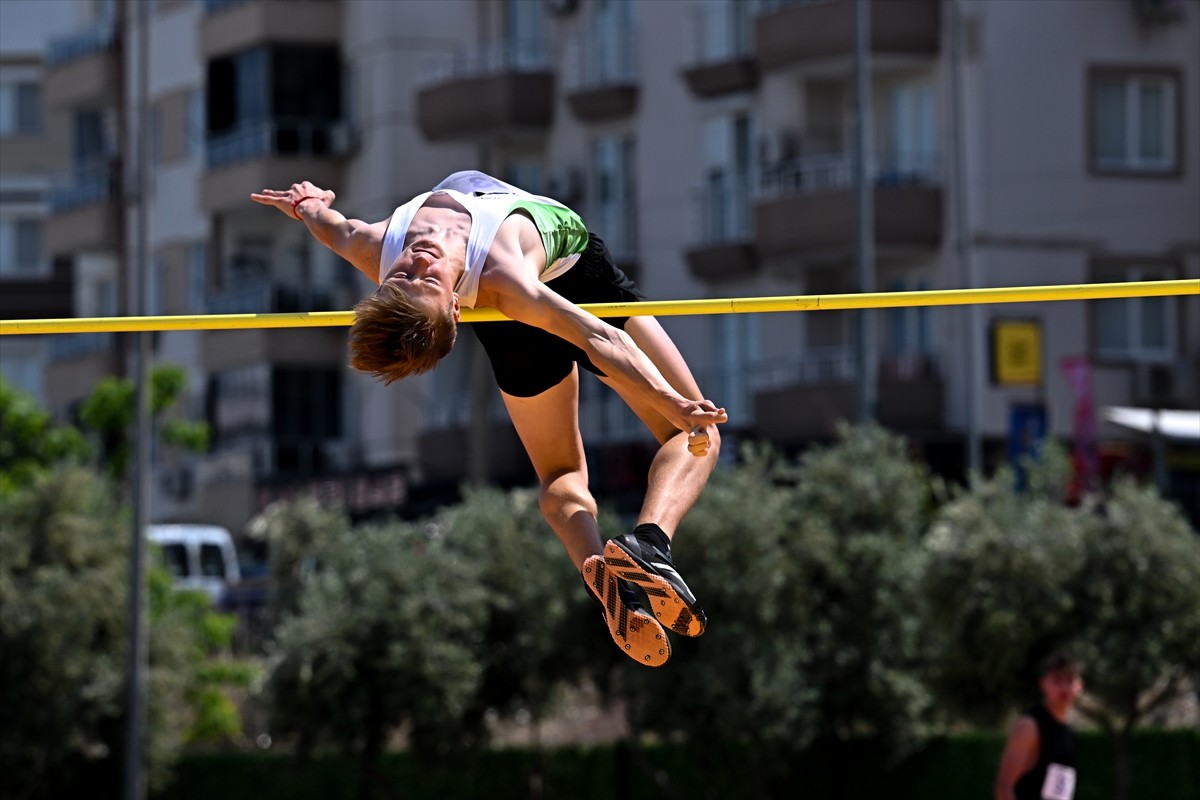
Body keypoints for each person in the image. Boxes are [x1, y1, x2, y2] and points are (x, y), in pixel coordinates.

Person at [251, 171, 727, 667]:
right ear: (456, 308)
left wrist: (309, 203)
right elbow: (600, 340)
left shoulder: (377, 248)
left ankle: (606, 577)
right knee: (698, 434)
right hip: (573, 287)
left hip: (515, 325)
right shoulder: (503, 277)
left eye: (403, 277)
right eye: (426, 281)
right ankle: (649, 545)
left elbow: (334, 228)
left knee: (560, 475)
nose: (416, 263)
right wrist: (670, 401)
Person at [994, 653, 1083, 800]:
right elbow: (1004, 786)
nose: (1064, 687)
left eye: (1070, 680)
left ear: (1079, 685)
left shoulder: (1069, 732)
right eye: (1057, 680)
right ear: (1043, 683)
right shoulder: (1029, 726)